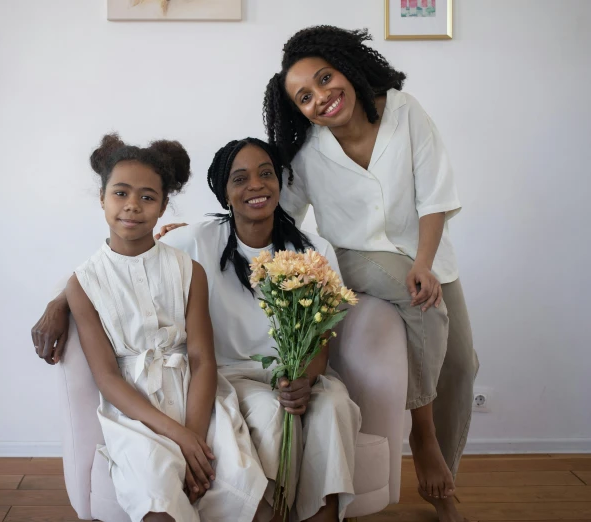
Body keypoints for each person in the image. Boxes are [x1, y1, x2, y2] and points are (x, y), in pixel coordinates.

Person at [34, 137, 360, 521]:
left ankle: (319, 514)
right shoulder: (198, 240)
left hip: (287, 378)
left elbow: (323, 330)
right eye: (239, 179)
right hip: (230, 376)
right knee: (270, 415)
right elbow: (120, 267)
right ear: (224, 193)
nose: (255, 185)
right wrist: (59, 302)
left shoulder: (312, 249)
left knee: (333, 405)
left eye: (266, 174)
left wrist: (305, 377)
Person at [262, 25, 478, 522]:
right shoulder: (306, 152)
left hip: (428, 255)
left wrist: (424, 262)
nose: (322, 97)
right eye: (305, 97)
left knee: (463, 367)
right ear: (298, 110)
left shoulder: (404, 111)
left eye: (325, 78)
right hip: (356, 257)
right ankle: (422, 441)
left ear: (347, 69)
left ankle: (445, 473)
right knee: (417, 300)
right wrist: (213, 227)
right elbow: (281, 212)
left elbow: (436, 197)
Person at [64, 133, 267, 522]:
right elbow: (107, 378)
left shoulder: (188, 270)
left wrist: (193, 434)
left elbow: (202, 360)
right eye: (120, 193)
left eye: (147, 197)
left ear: (163, 206)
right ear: (102, 198)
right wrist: (177, 437)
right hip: (134, 410)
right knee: (158, 505)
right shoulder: (83, 283)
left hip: (196, 399)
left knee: (246, 493)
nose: (132, 207)